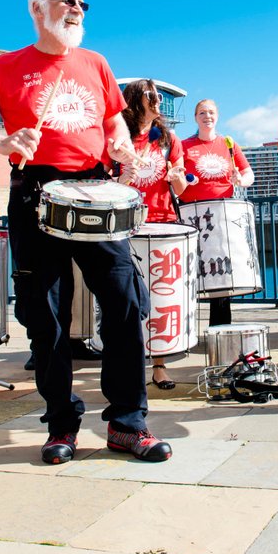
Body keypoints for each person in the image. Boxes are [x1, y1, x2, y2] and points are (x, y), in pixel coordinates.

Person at [0, 0, 171, 463]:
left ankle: (128, 423)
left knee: (127, 306)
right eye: (67, 1)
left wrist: (121, 143)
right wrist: (1, 142)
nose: (78, 9)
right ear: (36, 9)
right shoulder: (6, 67)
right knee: (45, 319)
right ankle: (61, 423)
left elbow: (111, 120)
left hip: (95, 190)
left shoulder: (96, 63)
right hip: (36, 196)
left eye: (82, 2)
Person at [118, 79, 188, 389]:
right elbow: (110, 187)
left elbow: (182, 188)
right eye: (151, 95)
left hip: (163, 223)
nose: (157, 100)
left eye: (158, 95)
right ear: (135, 100)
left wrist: (176, 178)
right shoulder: (120, 139)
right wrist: (123, 177)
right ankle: (129, 364)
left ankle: (159, 365)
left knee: (160, 296)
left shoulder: (168, 140)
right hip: (129, 224)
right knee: (129, 299)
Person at [179, 98, 254, 328]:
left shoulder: (229, 144)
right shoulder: (184, 146)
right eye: (202, 112)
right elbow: (176, 174)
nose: (207, 116)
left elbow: (249, 174)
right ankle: (187, 329)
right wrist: (185, 180)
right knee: (191, 273)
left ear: (217, 116)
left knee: (221, 274)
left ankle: (220, 329)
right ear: (195, 117)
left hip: (222, 214)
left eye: (211, 112)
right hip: (193, 214)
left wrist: (241, 180)